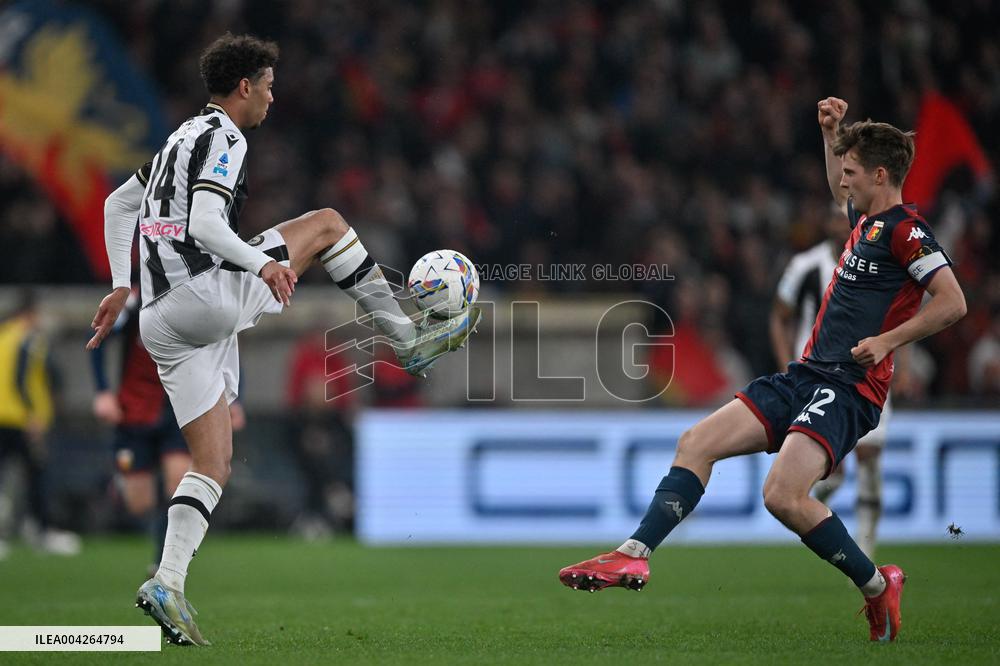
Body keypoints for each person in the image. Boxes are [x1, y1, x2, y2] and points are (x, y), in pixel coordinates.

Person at [86, 33, 478, 646]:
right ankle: (407, 338)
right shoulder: (224, 136)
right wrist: (260, 264)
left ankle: (167, 580)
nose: (273, 95)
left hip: (159, 318)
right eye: (268, 84)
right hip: (202, 294)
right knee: (327, 224)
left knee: (211, 464)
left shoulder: (174, 142)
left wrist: (120, 284)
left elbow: (117, 205)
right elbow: (208, 224)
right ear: (244, 86)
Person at [558, 96, 967, 643]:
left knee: (782, 496)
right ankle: (633, 555)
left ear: (880, 174)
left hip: (850, 388)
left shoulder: (906, 231)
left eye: (851, 172)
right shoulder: (867, 220)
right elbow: (835, 184)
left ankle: (875, 585)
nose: (841, 183)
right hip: (805, 374)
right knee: (695, 442)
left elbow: (952, 301)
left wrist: (888, 340)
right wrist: (830, 135)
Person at [90, 286, 245, 576]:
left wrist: (237, 399)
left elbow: (226, 345)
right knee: (139, 503)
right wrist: (102, 391)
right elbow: (99, 336)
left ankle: (163, 563)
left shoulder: (194, 301)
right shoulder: (133, 303)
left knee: (178, 484)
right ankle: (117, 485)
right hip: (134, 412)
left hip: (178, 408)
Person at [769, 205, 895, 560]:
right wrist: (785, 364)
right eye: (834, 217)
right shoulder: (804, 266)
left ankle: (867, 545)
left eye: (847, 218)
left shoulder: (876, 260)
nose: (841, 224)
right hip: (816, 375)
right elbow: (780, 316)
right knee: (831, 466)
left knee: (869, 455)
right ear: (824, 222)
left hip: (867, 373)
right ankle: (809, 507)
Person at [0, 291, 80, 557]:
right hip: (21, 419)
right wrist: (33, 413)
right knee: (38, 475)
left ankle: (25, 531)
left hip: (4, 418)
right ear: (30, 314)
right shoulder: (29, 339)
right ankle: (41, 530)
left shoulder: (4, 336)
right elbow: (20, 378)